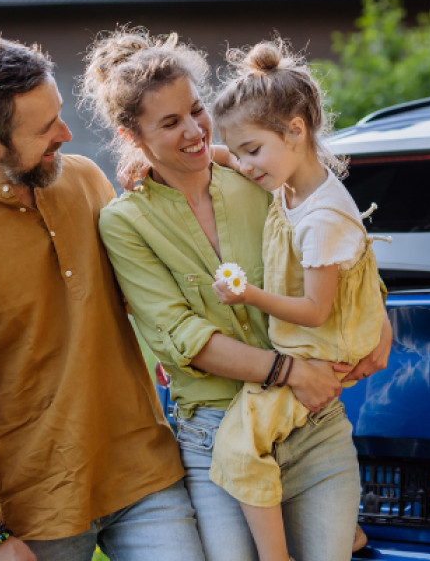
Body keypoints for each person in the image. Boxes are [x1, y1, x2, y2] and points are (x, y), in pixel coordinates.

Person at [81, 28, 390, 561]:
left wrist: (380, 320)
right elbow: (183, 337)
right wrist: (291, 370)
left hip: (310, 424)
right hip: (218, 436)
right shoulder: (125, 222)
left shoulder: (252, 174)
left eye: (196, 111)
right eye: (171, 123)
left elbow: (336, 239)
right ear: (134, 138)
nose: (195, 131)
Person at [0, 36, 204, 560]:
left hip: (142, 470)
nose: (66, 133)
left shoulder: (83, 179)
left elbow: (147, 297)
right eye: (44, 130)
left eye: (59, 115)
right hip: (36, 504)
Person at [203, 40, 388, 561]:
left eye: (251, 150)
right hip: (311, 344)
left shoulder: (322, 217)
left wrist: (248, 294)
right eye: (237, 151)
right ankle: (342, 526)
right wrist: (204, 156)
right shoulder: (288, 177)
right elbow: (236, 157)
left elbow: (315, 310)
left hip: (320, 345)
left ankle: (275, 556)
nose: (244, 164)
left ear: (296, 131)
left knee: (239, 449)